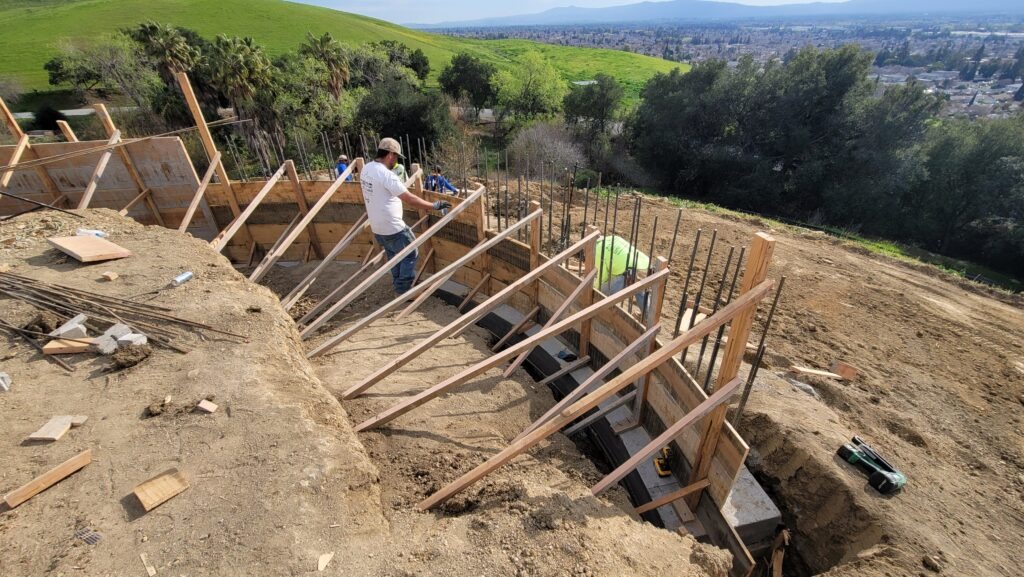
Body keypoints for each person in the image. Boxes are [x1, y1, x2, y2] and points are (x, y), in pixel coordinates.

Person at [361, 137, 450, 295]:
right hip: (393, 226)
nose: (395, 161)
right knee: (410, 253)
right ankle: (404, 290)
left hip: (377, 227)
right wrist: (433, 206)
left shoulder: (367, 169)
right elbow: (410, 199)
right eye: (395, 157)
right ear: (390, 155)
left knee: (394, 255)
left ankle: (398, 284)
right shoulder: (386, 175)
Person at [594, 234, 651, 311]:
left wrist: (594, 289)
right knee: (639, 290)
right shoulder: (614, 238)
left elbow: (602, 276)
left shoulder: (598, 249)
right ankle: (648, 315)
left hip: (623, 277)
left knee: (599, 294)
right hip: (634, 269)